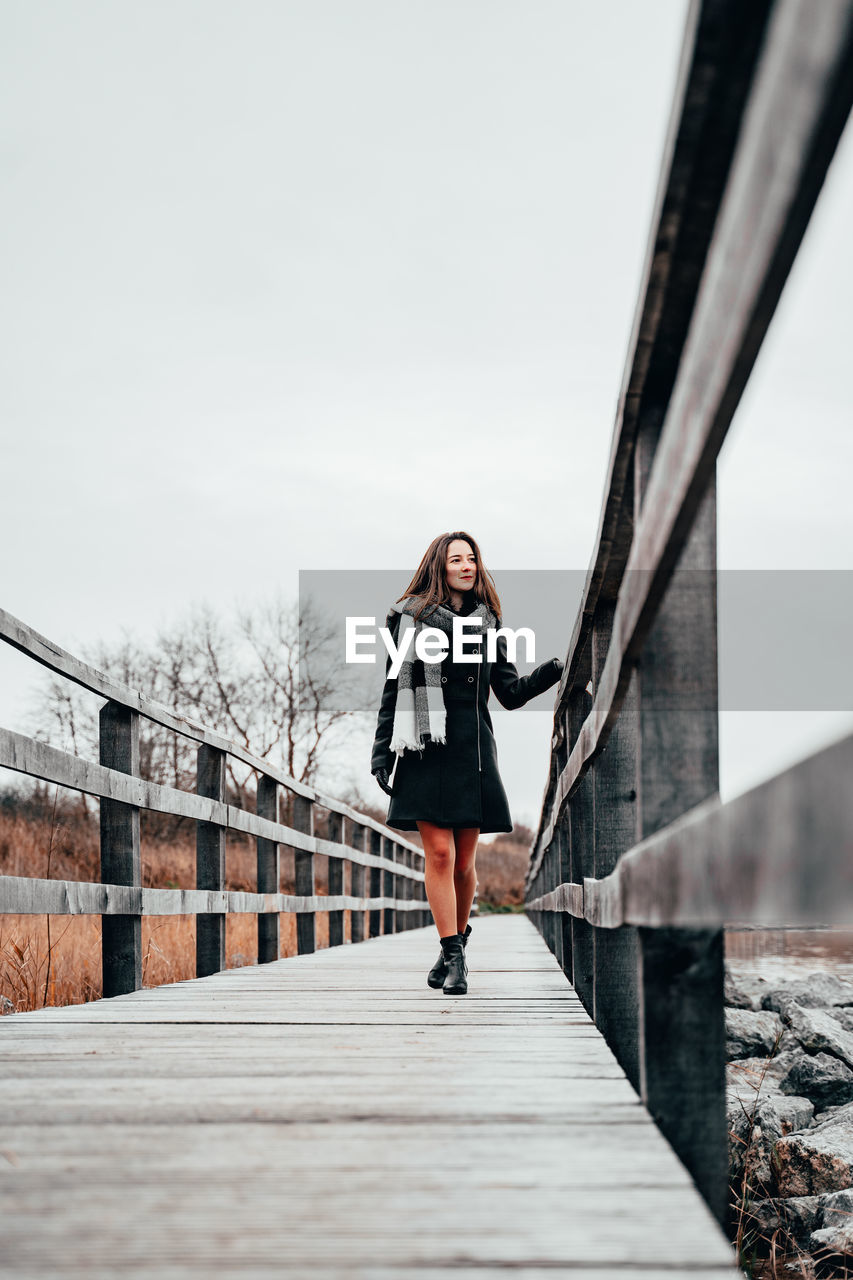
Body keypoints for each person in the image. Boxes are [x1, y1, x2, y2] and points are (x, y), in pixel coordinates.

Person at [370, 531, 564, 996]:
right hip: (422, 744)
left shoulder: (488, 622)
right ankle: (455, 956)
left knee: (464, 864)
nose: (466, 565)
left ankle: (450, 948)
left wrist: (550, 673)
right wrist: (381, 751)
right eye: (456, 558)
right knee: (439, 854)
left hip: (472, 749)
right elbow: (394, 687)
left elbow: (510, 694)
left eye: (472, 558)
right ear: (440, 565)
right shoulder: (408, 618)